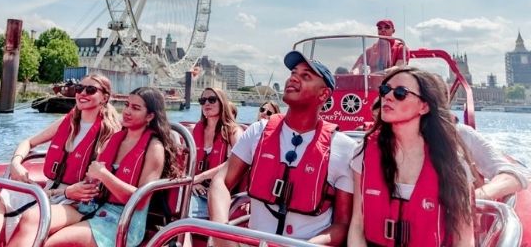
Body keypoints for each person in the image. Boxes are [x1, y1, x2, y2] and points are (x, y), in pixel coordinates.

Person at [208, 50, 355, 244]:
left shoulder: (344, 148)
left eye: (305, 76)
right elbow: (221, 182)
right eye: (293, 72)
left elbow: (343, 223)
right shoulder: (258, 131)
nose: (293, 78)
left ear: (324, 94)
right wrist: (222, 231)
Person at [0, 74, 122, 247]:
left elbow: (94, 188)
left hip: (77, 203)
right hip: (50, 191)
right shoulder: (68, 122)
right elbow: (28, 142)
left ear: (104, 97)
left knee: (36, 216)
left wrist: (59, 193)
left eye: (90, 90)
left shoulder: (111, 133)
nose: (82, 93)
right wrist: (16, 163)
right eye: (79, 88)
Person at [347, 67, 474, 247]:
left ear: (424, 106)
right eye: (385, 90)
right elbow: (357, 224)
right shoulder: (364, 153)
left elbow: (464, 238)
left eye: (400, 93)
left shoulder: (452, 163)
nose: (388, 96)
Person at [44, 88, 182, 247]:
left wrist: (103, 175)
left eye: (135, 108)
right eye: (127, 105)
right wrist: (84, 185)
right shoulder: (114, 140)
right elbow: (94, 180)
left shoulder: (154, 147)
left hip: (124, 220)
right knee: (39, 221)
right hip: (90, 207)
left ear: (150, 116)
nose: (127, 111)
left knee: (54, 242)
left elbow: (141, 200)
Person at [190, 87, 242, 220]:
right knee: (172, 203)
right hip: (196, 189)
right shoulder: (196, 129)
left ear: (222, 103)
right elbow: (186, 161)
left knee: (185, 210)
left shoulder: (233, 132)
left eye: (212, 100)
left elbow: (236, 162)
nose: (206, 103)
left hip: (221, 194)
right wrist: (194, 182)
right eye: (203, 100)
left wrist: (200, 177)